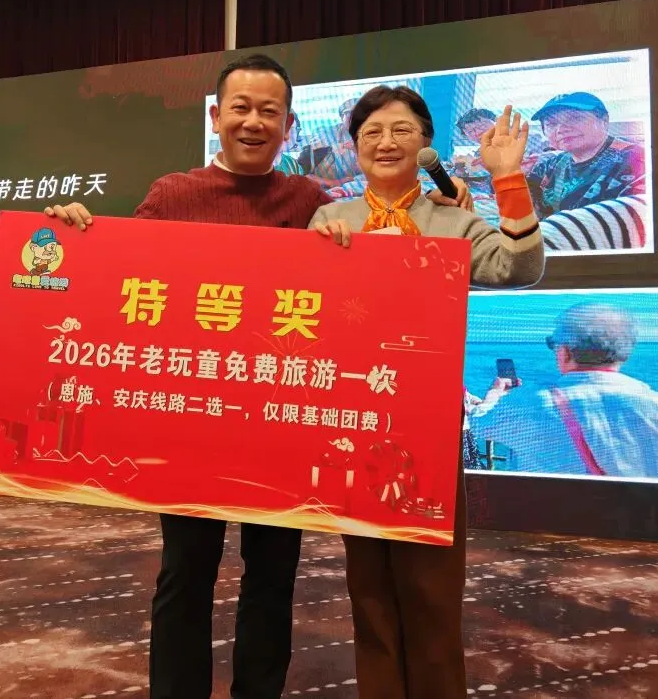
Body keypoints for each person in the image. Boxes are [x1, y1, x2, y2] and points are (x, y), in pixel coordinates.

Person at [44, 54, 473, 699]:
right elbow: (118, 274)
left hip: (279, 425)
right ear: (216, 117)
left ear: (289, 125)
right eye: (240, 108)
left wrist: (448, 197)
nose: (253, 122)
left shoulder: (309, 202)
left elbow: (368, 256)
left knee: (273, 577)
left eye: (269, 112)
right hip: (191, 418)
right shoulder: (171, 194)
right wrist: (76, 232)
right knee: (184, 573)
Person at [311, 86, 545, 699]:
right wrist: (320, 258)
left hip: (428, 424)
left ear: (425, 143)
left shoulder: (454, 220)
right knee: (367, 585)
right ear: (354, 147)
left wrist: (508, 177)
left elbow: (520, 267)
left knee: (432, 587)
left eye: (402, 130)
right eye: (371, 133)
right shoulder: (330, 220)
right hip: (354, 419)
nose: (386, 142)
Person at [469, 303, 658, 480]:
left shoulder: (534, 403)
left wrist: (495, 394)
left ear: (566, 351)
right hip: (641, 525)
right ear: (624, 353)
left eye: (553, 344)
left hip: (548, 523)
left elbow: (478, 424)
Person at [526, 92, 645, 218]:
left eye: (575, 118)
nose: (561, 129)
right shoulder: (550, 165)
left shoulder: (636, 161)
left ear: (604, 120)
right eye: (551, 124)